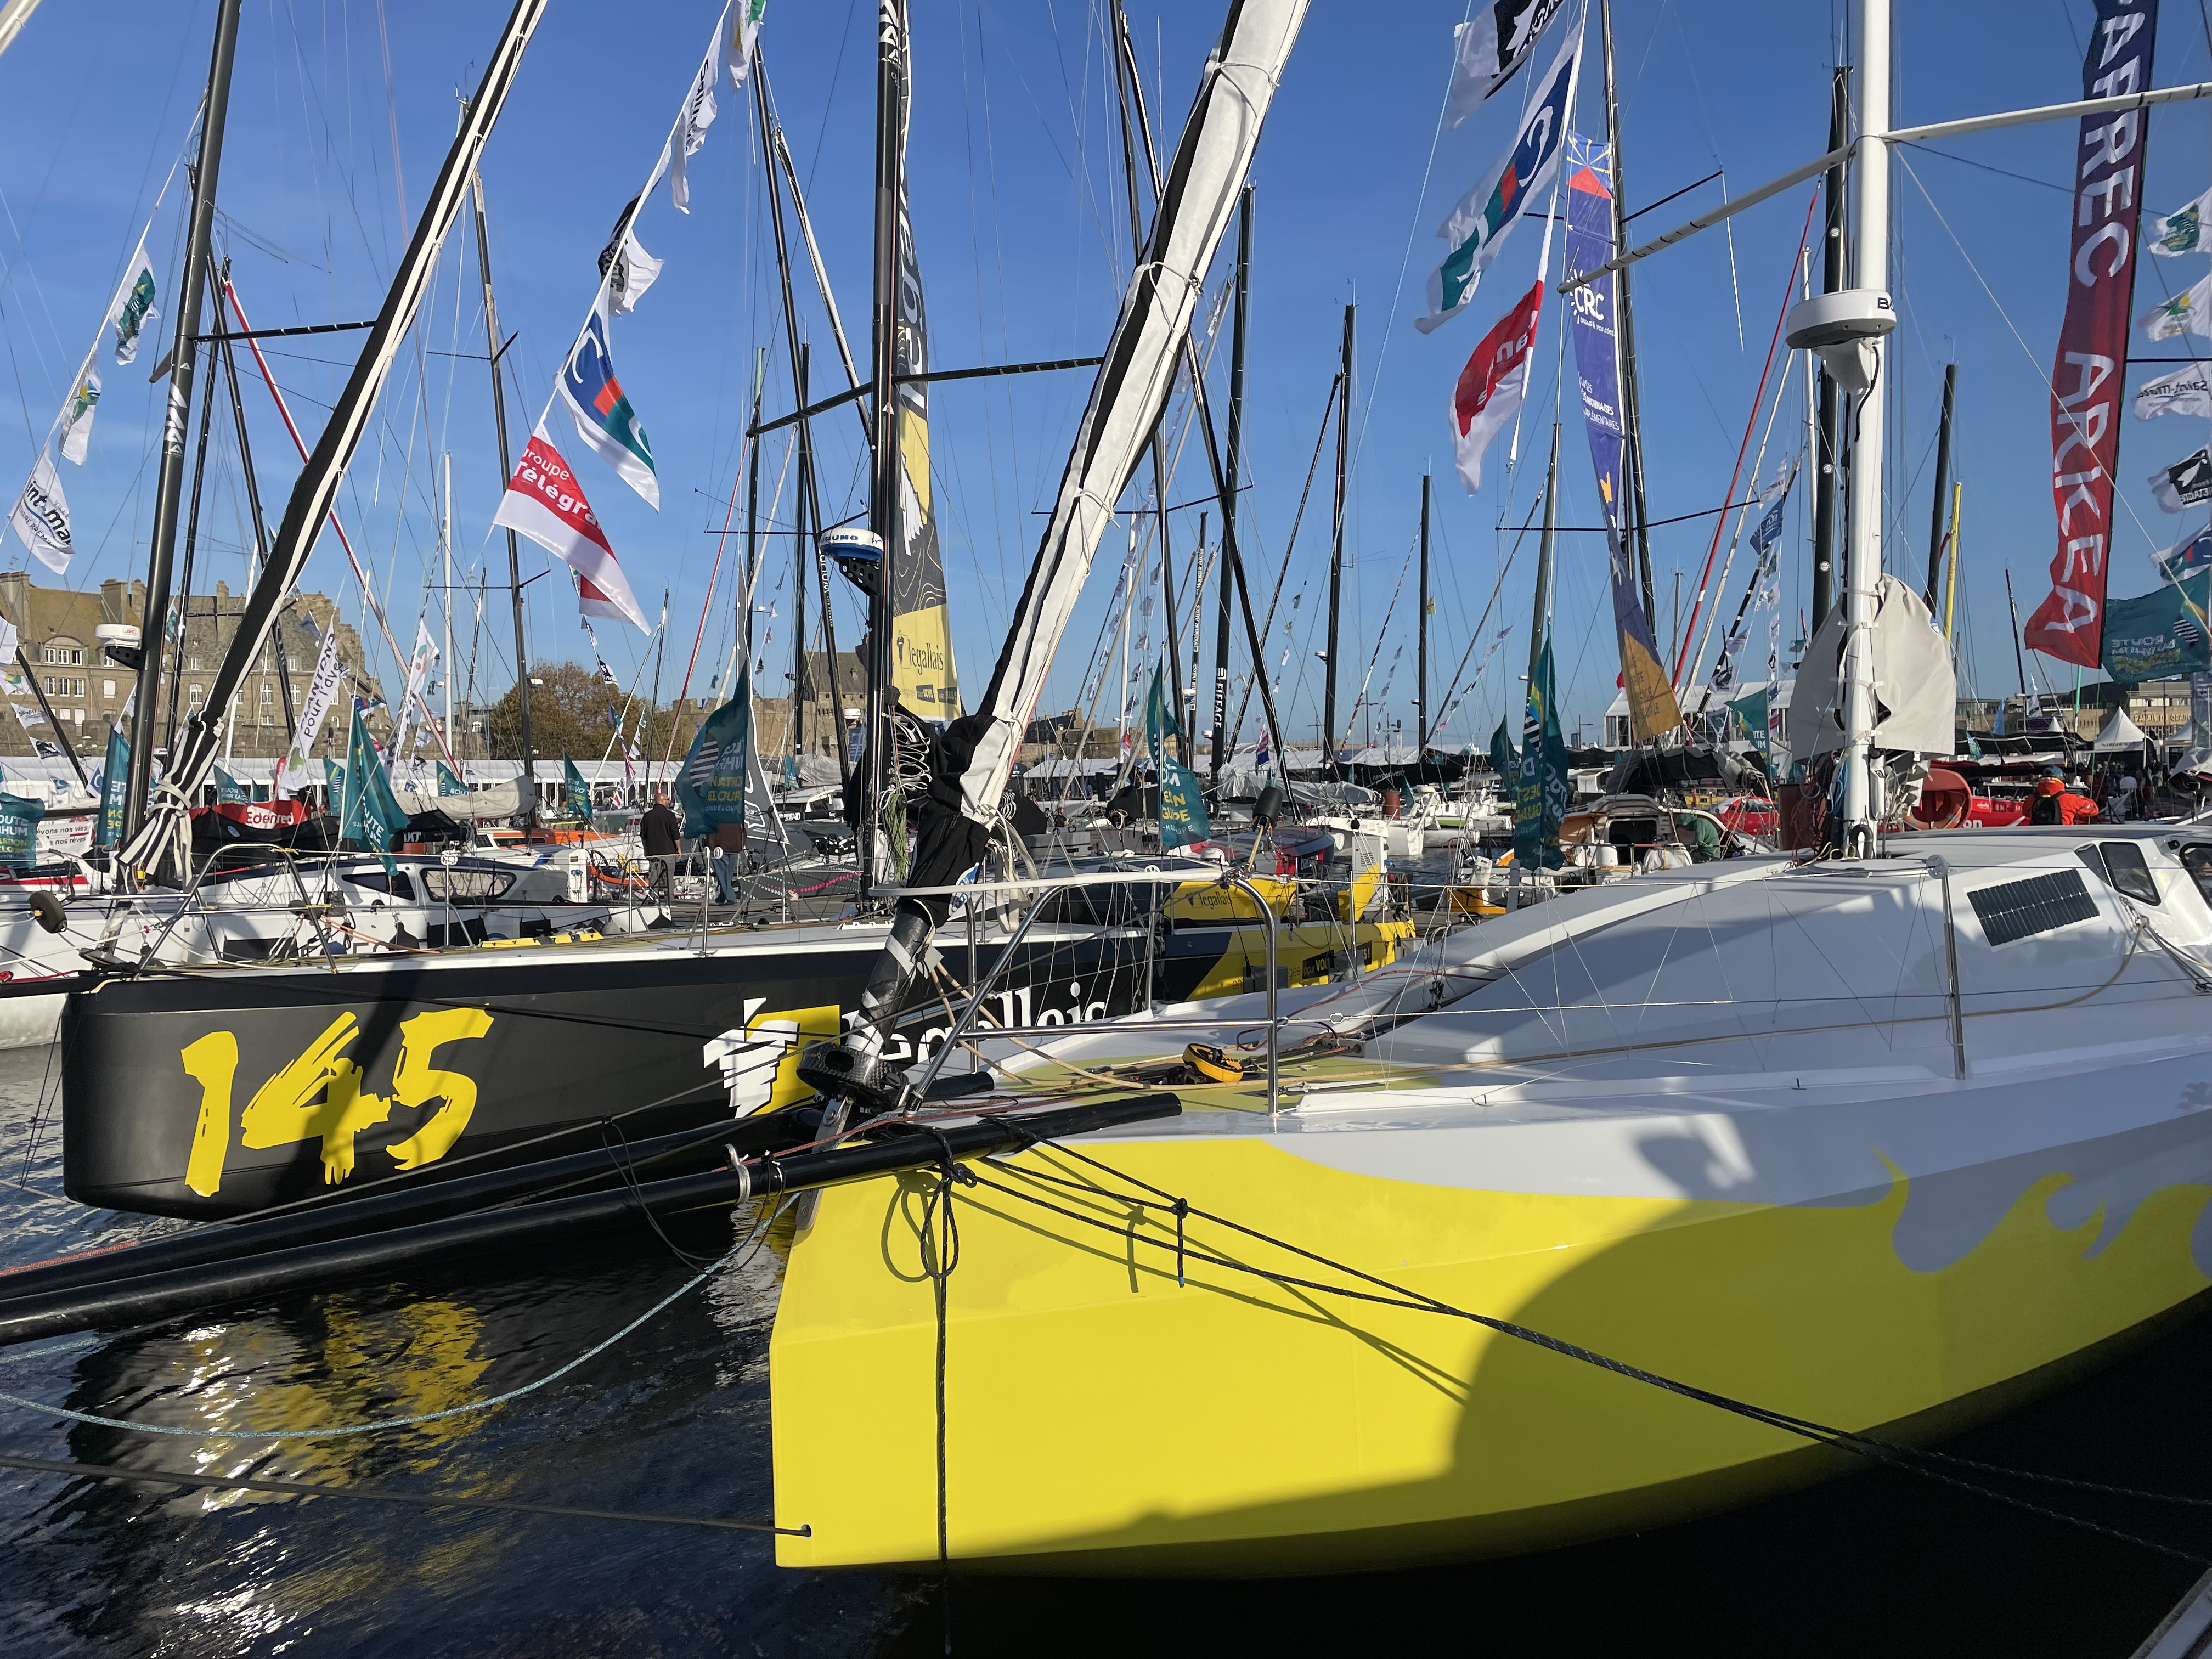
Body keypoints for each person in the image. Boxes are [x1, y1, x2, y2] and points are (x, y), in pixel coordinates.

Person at [639, 788, 683, 894]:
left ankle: (654, 898)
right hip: (668, 852)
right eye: (668, 800)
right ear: (662, 800)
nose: (669, 802)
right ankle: (670, 899)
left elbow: (643, 836)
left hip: (653, 853)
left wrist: (647, 851)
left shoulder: (647, 816)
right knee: (669, 876)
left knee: (654, 878)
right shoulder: (669, 816)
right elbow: (675, 835)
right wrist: (679, 849)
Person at [2028, 768, 2099, 826]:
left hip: (2037, 838)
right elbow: (2094, 810)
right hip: (2062, 837)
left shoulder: (2031, 799)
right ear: (2061, 780)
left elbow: (2026, 812)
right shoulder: (2070, 799)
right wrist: (2082, 798)